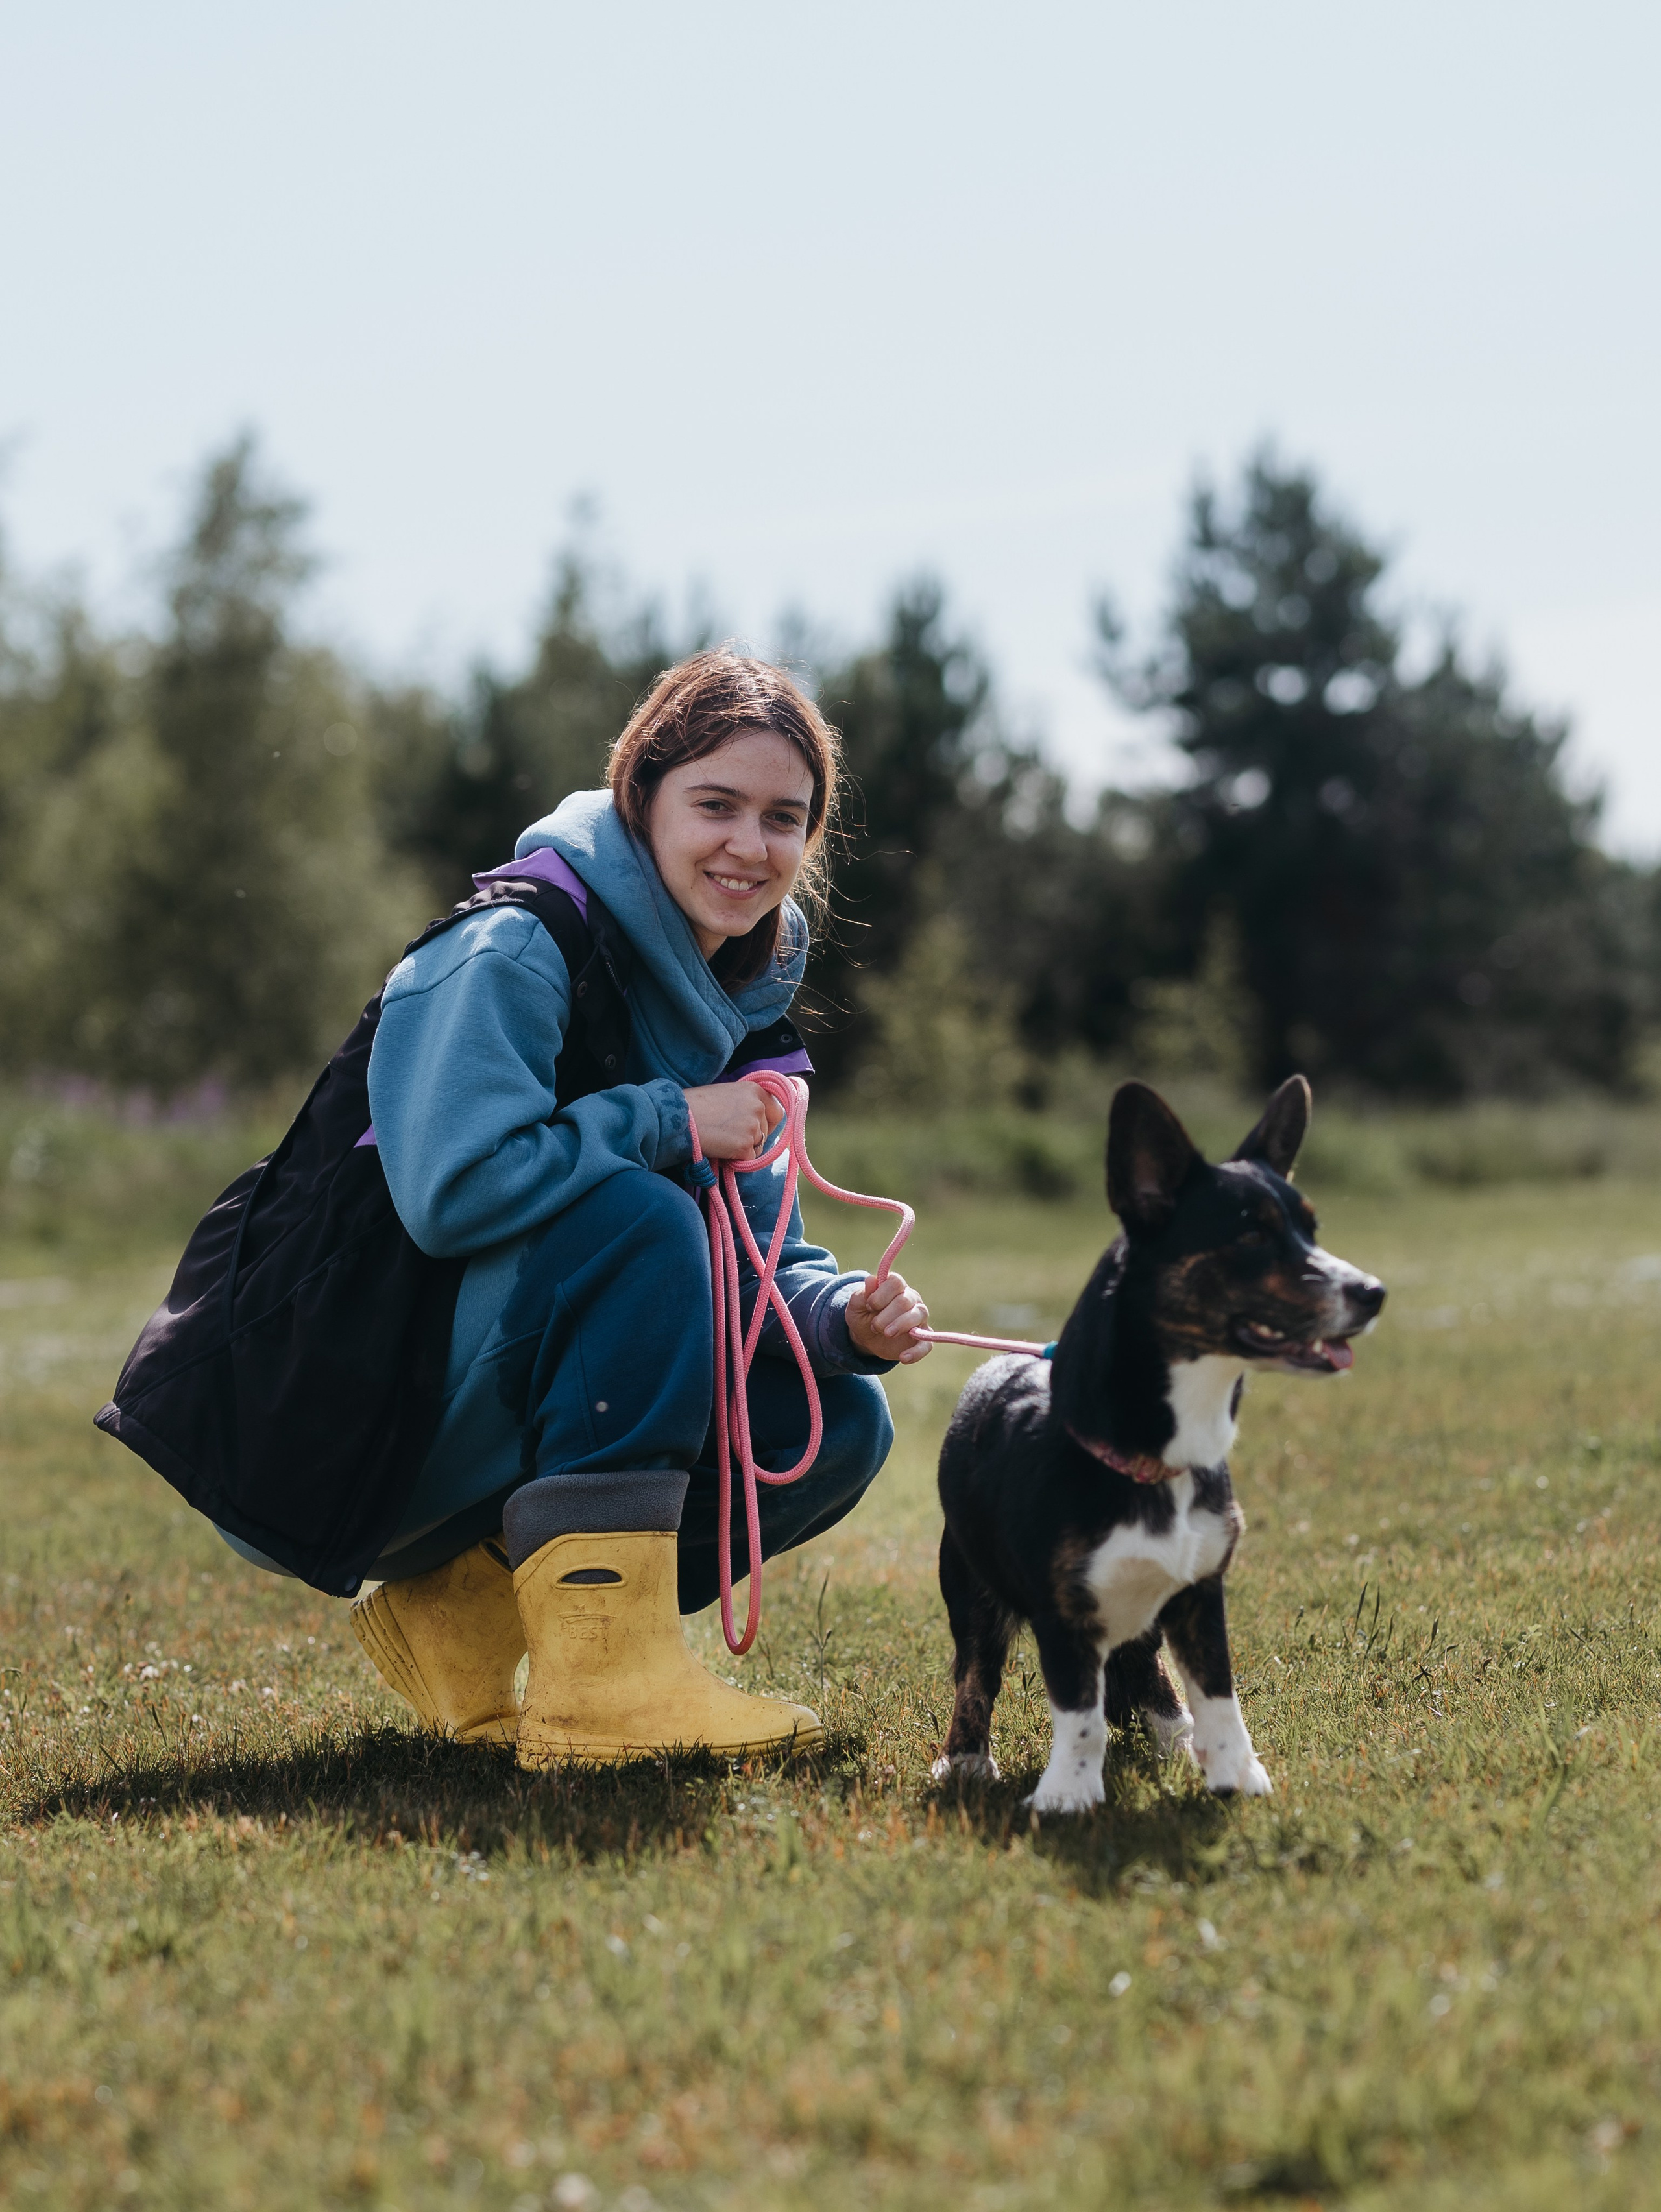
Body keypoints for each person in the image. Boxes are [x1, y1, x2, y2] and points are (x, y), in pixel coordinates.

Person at [223, 651, 932, 1767]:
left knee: (834, 1422)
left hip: (498, 1400)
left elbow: (751, 1261)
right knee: (640, 1220)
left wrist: (844, 1318)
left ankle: (458, 1616)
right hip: (346, 1407)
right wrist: (666, 1121)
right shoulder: (513, 946)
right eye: (717, 805)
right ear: (641, 796)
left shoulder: (737, 1006)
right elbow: (452, 1194)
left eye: (784, 818)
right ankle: (604, 1693)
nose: (751, 846)